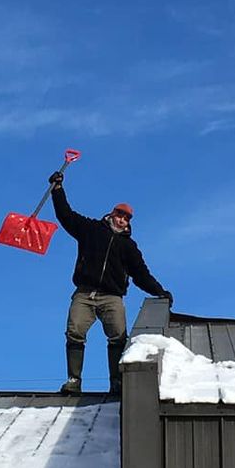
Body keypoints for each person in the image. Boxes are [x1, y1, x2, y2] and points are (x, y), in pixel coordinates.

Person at [48, 168, 171, 394]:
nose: (122, 220)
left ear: (128, 222)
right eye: (119, 215)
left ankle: (116, 382)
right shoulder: (91, 230)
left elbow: (140, 273)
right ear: (111, 214)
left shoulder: (129, 247)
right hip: (85, 293)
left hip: (112, 297)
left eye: (126, 218)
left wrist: (160, 291)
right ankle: (74, 381)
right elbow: (66, 215)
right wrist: (57, 189)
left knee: (118, 336)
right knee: (74, 331)